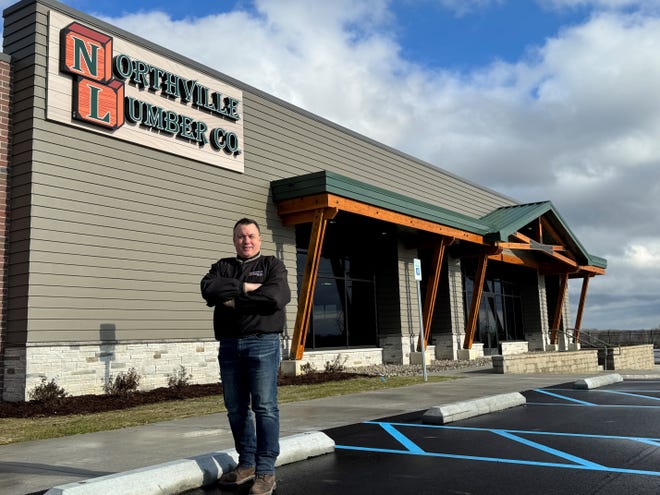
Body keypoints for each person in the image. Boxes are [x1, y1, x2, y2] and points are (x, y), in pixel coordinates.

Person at [200, 218, 291, 495]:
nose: (246, 241)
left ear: (259, 239)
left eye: (251, 236)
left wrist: (233, 299)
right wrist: (248, 288)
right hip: (229, 345)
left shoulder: (272, 266)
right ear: (234, 240)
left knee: (264, 407)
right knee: (236, 408)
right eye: (241, 236)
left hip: (263, 343)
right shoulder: (222, 267)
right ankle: (246, 464)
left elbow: (276, 297)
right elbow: (208, 289)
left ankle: (265, 471)